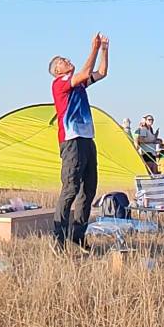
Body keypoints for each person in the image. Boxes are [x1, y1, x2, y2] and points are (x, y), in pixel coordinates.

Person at [48, 33, 109, 251]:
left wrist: (104, 50)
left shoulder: (79, 85)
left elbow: (101, 73)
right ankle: (58, 237)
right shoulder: (59, 83)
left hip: (86, 139)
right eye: (62, 60)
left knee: (89, 188)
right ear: (57, 70)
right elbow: (84, 72)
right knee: (71, 188)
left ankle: (77, 235)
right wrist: (93, 48)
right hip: (71, 141)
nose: (67, 60)